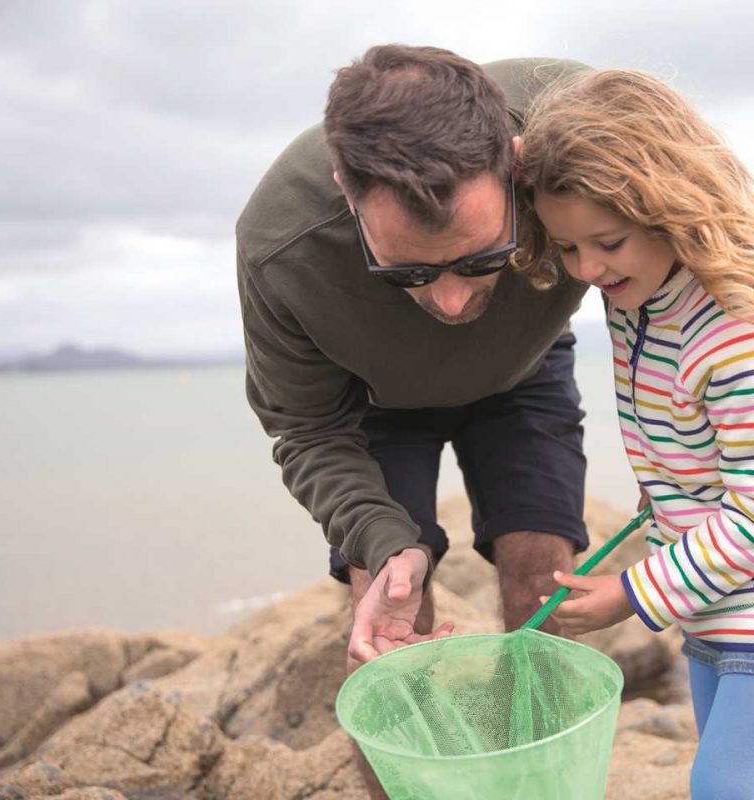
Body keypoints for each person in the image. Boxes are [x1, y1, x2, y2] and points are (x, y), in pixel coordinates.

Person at [514, 70, 754, 799]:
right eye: (567, 247)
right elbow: (695, 450)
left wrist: (634, 592)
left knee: (724, 783)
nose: (587, 269)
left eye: (607, 242)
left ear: (668, 205)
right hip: (718, 584)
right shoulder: (642, 289)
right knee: (729, 772)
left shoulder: (745, 330)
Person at [235, 45, 589, 796]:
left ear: (517, 163)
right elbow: (305, 428)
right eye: (410, 274)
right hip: (370, 403)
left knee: (544, 579)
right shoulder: (281, 245)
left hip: (524, 373)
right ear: (346, 189)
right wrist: (382, 540)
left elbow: (697, 237)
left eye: (481, 259)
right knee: (390, 606)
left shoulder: (583, 121)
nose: (454, 303)